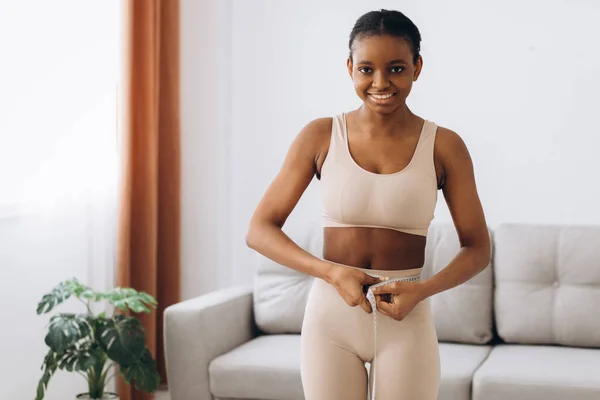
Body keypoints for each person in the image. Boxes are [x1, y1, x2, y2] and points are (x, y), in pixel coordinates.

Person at [246, 8, 491, 400]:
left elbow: (478, 248)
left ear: (417, 67)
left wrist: (423, 289)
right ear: (349, 68)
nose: (381, 83)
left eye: (396, 68)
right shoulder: (321, 136)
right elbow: (259, 230)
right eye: (366, 69)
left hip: (405, 316)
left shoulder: (445, 146)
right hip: (331, 316)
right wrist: (329, 272)